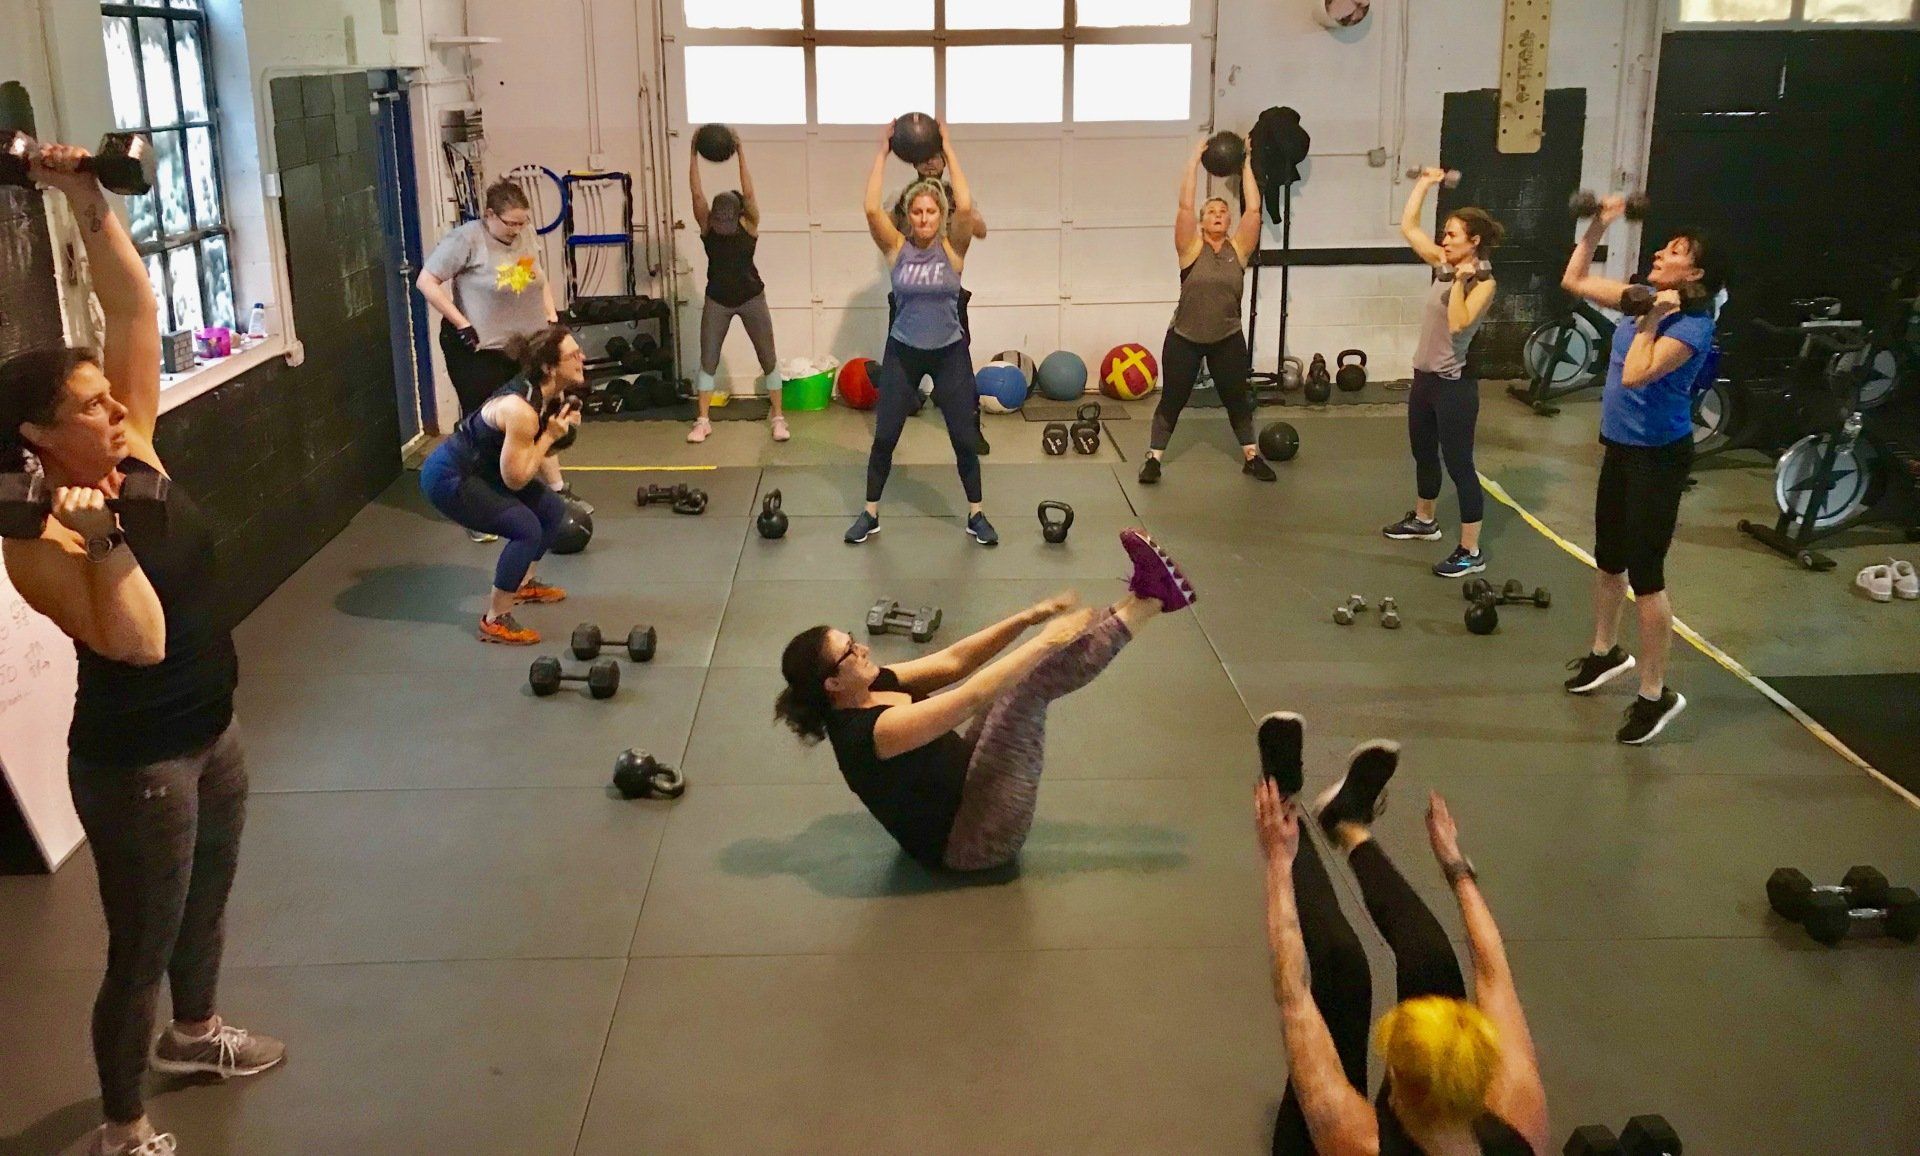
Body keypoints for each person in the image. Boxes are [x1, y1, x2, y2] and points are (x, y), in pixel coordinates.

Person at [0, 143, 283, 1156]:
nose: (116, 408)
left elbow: (132, 313)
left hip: (215, 730)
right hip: (138, 765)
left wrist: (87, 206)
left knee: (206, 906)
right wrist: (110, 536)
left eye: (109, 397)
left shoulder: (138, 446)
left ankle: (197, 1035)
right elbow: (140, 638)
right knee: (139, 947)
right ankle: (123, 1126)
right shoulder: (41, 544)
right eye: (88, 405)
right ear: (36, 435)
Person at [774, 530, 1196, 871]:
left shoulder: (866, 686)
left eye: (852, 639)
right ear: (832, 683)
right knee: (1027, 687)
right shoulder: (869, 734)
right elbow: (972, 696)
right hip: (974, 840)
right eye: (850, 651)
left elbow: (955, 662)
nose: (862, 648)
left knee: (1020, 675)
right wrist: (1047, 640)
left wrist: (1029, 618)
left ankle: (1140, 595)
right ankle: (1155, 602)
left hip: (968, 786)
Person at [1253, 713, 1549, 1156]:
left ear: (1395, 1087)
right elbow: (1493, 969)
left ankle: (1284, 799)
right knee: (1430, 958)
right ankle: (1348, 824)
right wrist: (1455, 867)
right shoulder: (1521, 1120)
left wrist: (1279, 860)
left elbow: (1292, 992)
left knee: (1342, 967)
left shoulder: (1352, 1140)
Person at [1558, 197, 1723, 744]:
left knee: (1646, 578)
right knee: (1608, 559)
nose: (1658, 252)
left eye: (1673, 251)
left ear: (1695, 272)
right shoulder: (1646, 298)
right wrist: (1600, 221)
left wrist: (1650, 317)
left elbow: (1634, 375)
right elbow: (1574, 278)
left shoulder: (1692, 329)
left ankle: (1656, 694)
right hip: (1622, 450)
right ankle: (1605, 652)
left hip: (1659, 458)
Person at [847, 118, 993, 546]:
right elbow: (871, 208)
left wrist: (948, 147)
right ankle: (870, 514)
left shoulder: (954, 248)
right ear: (908, 217)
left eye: (931, 212)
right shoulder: (896, 249)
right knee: (885, 436)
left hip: (949, 354)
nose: (925, 218)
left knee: (964, 438)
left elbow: (965, 206)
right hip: (904, 353)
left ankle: (976, 515)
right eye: (918, 212)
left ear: (939, 216)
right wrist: (881, 153)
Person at [416, 180, 579, 541]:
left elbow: (538, 277)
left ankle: (556, 489)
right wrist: (462, 324)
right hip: (478, 349)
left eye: (522, 223)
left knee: (537, 414)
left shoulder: (524, 236)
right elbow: (426, 281)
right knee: (488, 425)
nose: (517, 230)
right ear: (489, 215)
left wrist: (551, 317)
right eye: (510, 223)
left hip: (522, 346)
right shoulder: (466, 240)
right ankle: (479, 511)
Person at [416, 324, 585, 646]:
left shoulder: (547, 394)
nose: (582, 358)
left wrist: (558, 436)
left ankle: (522, 583)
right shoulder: (520, 409)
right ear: (550, 367)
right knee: (525, 528)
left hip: (483, 469)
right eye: (573, 355)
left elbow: (532, 453)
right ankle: (495, 619)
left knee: (551, 509)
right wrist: (550, 435)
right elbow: (517, 478)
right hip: (450, 476)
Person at [1381, 170, 1503, 578]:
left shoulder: (1483, 283)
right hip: (1424, 381)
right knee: (1422, 452)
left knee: (1460, 465)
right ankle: (1424, 520)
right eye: (1445, 234)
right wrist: (1426, 182)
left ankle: (1471, 550)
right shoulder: (1444, 265)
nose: (1444, 241)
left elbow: (1457, 325)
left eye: (1452, 235)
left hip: (1454, 388)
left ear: (1474, 241)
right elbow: (1408, 227)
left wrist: (1458, 284)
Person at [1139, 134, 1269, 486]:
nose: (1217, 214)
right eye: (1211, 211)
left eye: (1223, 211)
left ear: (1228, 222)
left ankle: (1251, 457)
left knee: (1237, 400)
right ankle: (1153, 459)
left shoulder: (1238, 250)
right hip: (1185, 337)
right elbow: (1183, 206)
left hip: (1226, 338)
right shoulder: (1189, 249)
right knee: (1172, 400)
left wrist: (1245, 164)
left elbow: (1254, 211)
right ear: (1201, 221)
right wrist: (1194, 160)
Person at [687, 132, 788, 445]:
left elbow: (749, 190)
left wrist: (741, 150)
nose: (721, 225)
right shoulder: (707, 225)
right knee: (708, 361)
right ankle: (703, 421)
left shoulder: (749, 224)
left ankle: (779, 417)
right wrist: (692, 153)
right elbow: (697, 194)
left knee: (768, 358)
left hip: (751, 297)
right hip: (717, 299)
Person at [888, 147, 990, 453]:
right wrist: (899, 211)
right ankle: (898, 416)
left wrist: (962, 210)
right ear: (913, 160)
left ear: (944, 161)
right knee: (899, 359)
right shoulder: (905, 196)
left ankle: (971, 430)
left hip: (946, 294)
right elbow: (885, 232)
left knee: (961, 363)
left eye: (936, 156)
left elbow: (981, 231)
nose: (930, 163)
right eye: (924, 156)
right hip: (910, 294)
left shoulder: (955, 194)